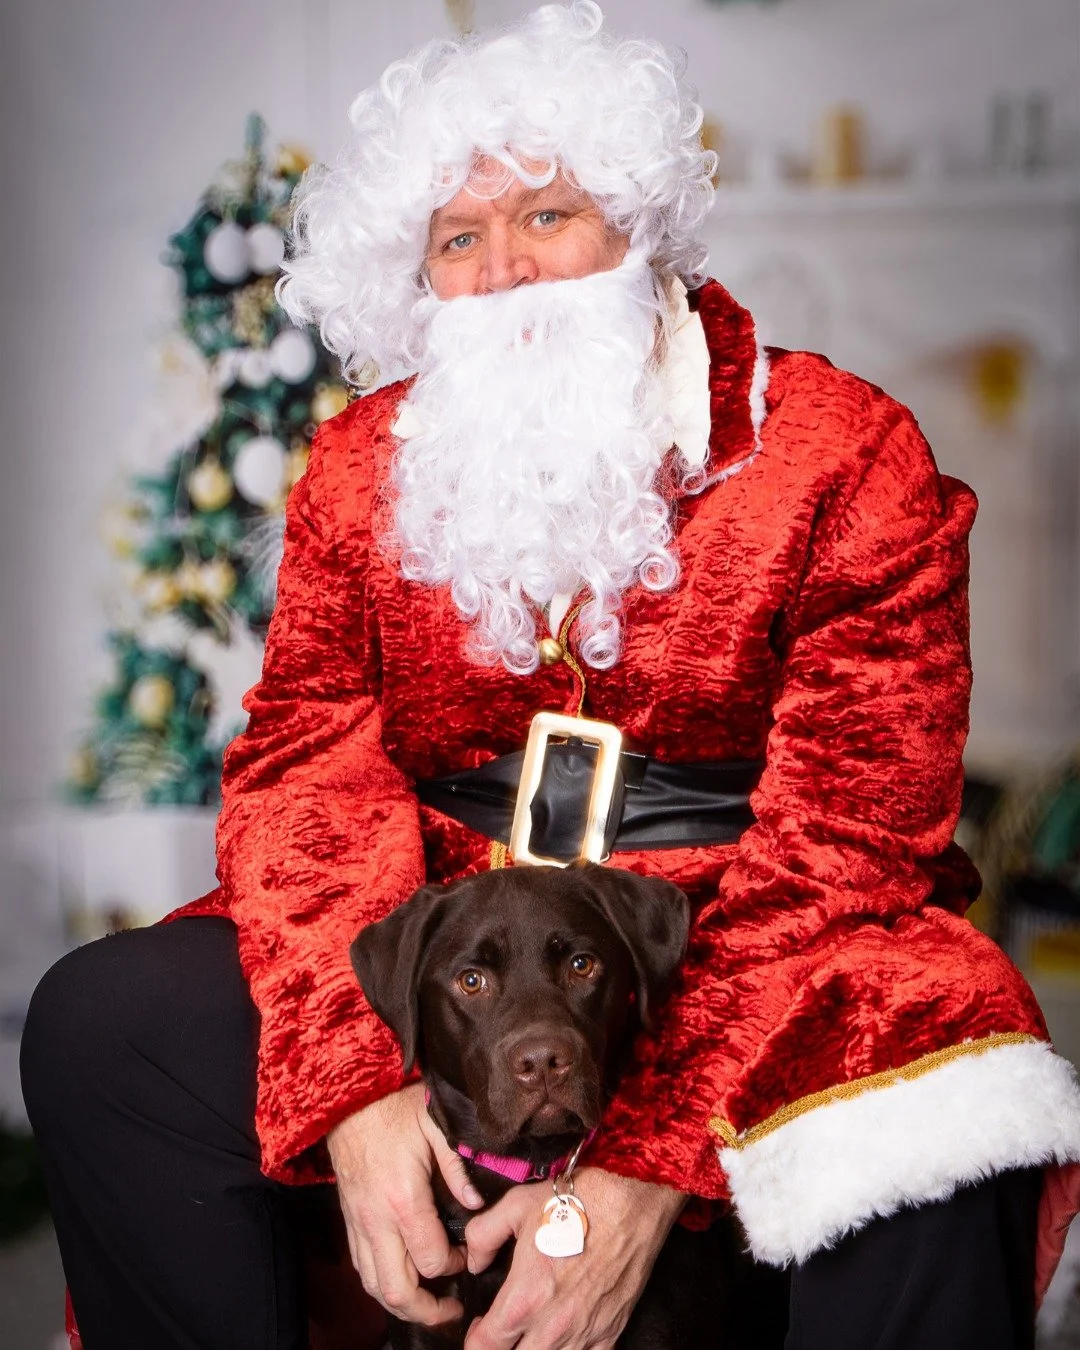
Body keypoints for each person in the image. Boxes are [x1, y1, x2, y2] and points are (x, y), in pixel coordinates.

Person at [20, 4, 1080, 1348]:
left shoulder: (841, 451)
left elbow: (852, 835)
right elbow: (303, 771)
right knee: (104, 1022)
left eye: (548, 216)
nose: (506, 268)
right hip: (435, 936)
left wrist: (648, 1159)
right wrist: (352, 1080)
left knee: (929, 1072)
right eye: (459, 239)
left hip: (750, 933)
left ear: (638, 231)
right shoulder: (359, 467)